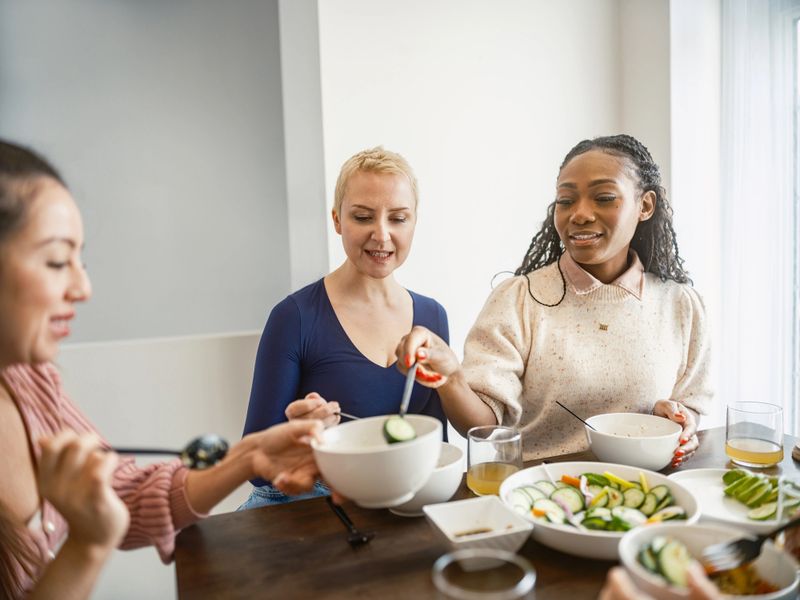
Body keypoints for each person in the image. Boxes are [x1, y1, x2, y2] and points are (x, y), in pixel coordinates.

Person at [0, 139, 325, 599]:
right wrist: (88, 546)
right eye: (56, 261)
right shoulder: (295, 314)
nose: (83, 287)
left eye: (81, 260)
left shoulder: (29, 380)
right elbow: (102, 522)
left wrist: (248, 456)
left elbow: (122, 493)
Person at [395, 134, 712, 464]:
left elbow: (690, 405)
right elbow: (484, 427)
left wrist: (679, 422)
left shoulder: (682, 305)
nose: (580, 214)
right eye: (566, 201)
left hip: (644, 497)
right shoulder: (519, 300)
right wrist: (451, 378)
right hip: (541, 495)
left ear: (645, 205)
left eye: (603, 198)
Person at [240, 146, 449, 508]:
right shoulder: (293, 316)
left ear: (415, 222)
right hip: (306, 510)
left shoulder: (432, 316)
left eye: (398, 218)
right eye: (363, 217)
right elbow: (257, 469)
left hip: (399, 509)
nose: (382, 236)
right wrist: (306, 439)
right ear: (337, 220)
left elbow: (434, 447)